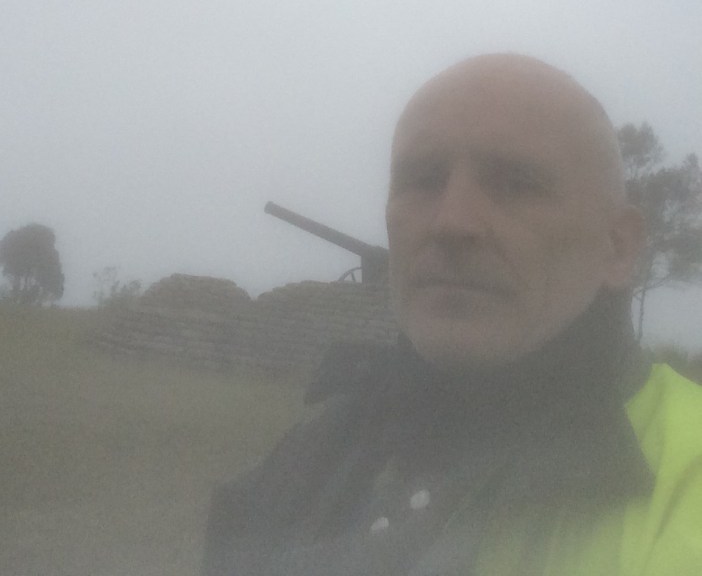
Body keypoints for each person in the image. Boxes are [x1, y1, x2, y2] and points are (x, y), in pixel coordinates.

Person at [203, 54, 702, 575]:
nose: (451, 222)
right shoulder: (317, 447)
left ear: (617, 247)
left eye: (517, 184)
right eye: (422, 180)